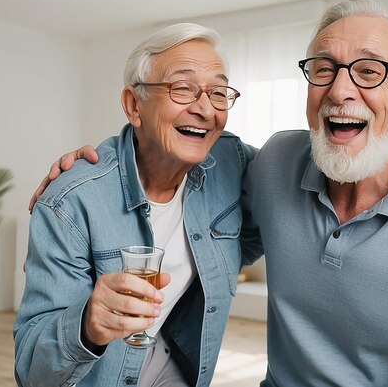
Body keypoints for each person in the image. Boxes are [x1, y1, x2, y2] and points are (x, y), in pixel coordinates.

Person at [32, 0, 388, 386]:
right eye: (324, 69)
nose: (341, 90)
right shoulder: (275, 161)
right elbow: (178, 145)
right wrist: (97, 162)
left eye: (370, 70)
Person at [14, 23, 260, 387]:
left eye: (219, 92)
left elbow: (299, 180)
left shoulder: (232, 160)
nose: (206, 109)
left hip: (172, 359)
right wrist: (88, 325)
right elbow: (32, 371)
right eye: (183, 88)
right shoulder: (71, 201)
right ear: (134, 105)